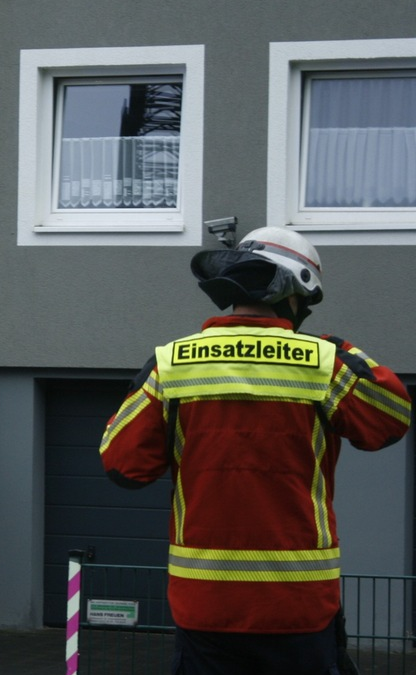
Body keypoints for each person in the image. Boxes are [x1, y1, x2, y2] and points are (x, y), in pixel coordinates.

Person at [98, 227, 411, 674]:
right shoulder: (325, 362)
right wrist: (343, 349)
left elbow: (122, 464)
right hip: (299, 608)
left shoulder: (173, 363)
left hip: (205, 607)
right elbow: (392, 419)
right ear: (293, 293)